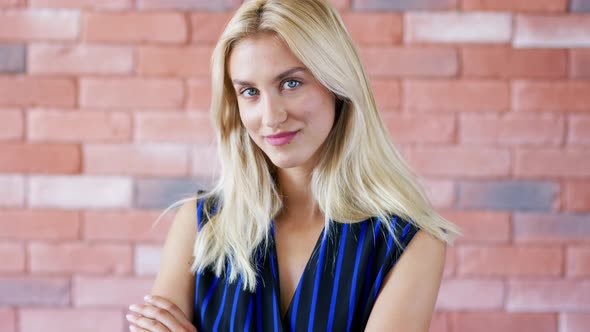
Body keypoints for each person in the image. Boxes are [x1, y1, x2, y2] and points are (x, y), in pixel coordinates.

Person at [126, 0, 462, 331]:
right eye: (249, 92)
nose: (271, 116)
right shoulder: (201, 224)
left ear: (338, 86)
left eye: (291, 83)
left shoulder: (408, 242)